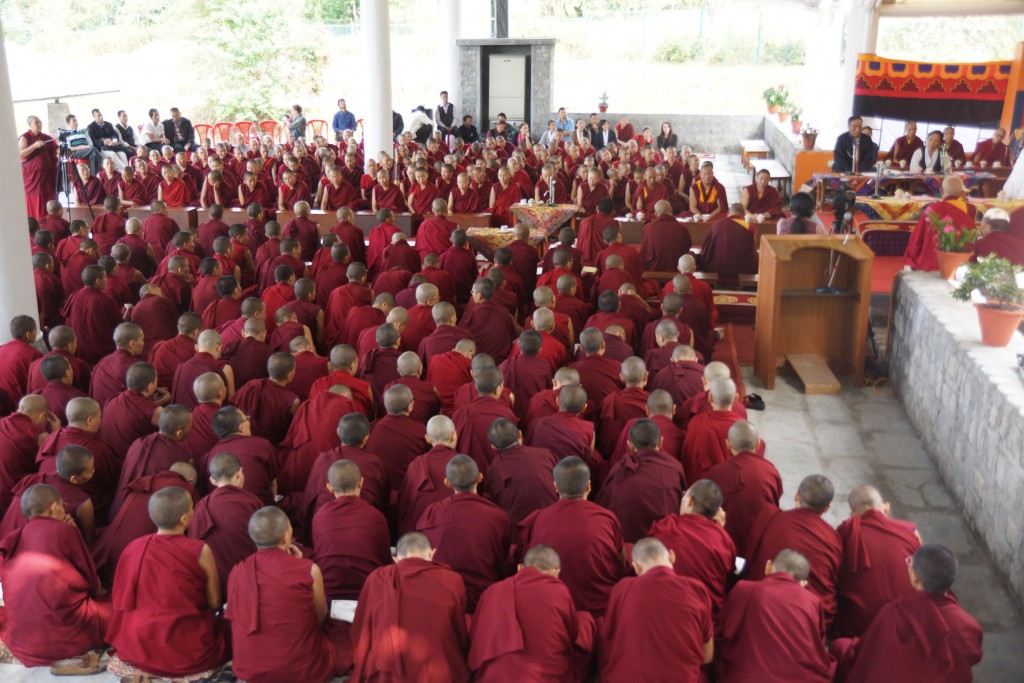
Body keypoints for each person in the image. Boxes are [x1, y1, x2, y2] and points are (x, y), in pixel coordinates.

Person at [106, 486, 227, 680]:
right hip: (185, 651)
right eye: (192, 508)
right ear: (184, 519)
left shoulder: (134, 547)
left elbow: (120, 597)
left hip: (137, 645)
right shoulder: (199, 549)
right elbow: (214, 603)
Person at [226, 505, 348, 683]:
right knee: (343, 637)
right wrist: (300, 565)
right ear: (285, 536)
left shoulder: (237, 571)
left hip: (251, 669)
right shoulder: (309, 570)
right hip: (300, 670)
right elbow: (320, 616)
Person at [0, 484, 111, 673]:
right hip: (67, 637)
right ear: (53, 506)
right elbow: (94, 585)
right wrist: (73, 532)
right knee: (116, 610)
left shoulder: (15, 537)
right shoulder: (65, 531)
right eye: (63, 505)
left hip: (23, 641)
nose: (65, 510)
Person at [836, 544, 983, 682]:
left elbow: (866, 652)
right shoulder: (970, 626)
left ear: (916, 578)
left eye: (909, 563)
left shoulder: (893, 613)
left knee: (840, 646)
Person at [350, 531, 470, 683]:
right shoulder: (452, 579)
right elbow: (458, 630)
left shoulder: (376, 578)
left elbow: (360, 630)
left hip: (386, 673)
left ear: (396, 559)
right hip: (437, 673)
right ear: (432, 554)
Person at [469, 545, 595, 682]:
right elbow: (572, 635)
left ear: (520, 568)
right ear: (556, 573)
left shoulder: (492, 591)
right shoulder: (559, 591)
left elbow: (475, 636)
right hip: (542, 678)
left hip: (493, 679)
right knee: (585, 620)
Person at [517, 456, 624, 616]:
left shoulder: (539, 519)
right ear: (588, 486)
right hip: (598, 609)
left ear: (555, 486)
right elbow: (621, 565)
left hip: (553, 607)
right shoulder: (607, 519)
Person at [599, 538, 713, 683]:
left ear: (636, 567)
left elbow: (609, 640)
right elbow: (707, 656)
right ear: (672, 556)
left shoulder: (621, 589)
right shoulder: (696, 589)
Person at [717, 549, 832, 683]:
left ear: (768, 566)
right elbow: (817, 649)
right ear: (803, 584)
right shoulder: (813, 602)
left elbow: (723, 633)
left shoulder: (744, 589)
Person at [745, 474, 843, 628]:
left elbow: (749, 555)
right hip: (805, 616)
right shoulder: (832, 537)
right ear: (826, 508)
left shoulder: (771, 518)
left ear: (796, 496)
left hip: (762, 603)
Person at [417, 454, 512, 611]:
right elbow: (504, 561)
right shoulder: (498, 516)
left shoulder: (433, 512)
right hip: (485, 598)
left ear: (447, 482)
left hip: (443, 595)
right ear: (479, 478)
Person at [835, 485, 922, 637]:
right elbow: (925, 569)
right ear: (885, 507)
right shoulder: (911, 531)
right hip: (908, 620)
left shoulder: (845, 532)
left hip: (864, 625)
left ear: (852, 515)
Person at [650, 479, 736, 621]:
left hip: (667, 614)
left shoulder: (665, 529)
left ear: (690, 501)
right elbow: (727, 575)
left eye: (684, 495)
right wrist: (719, 531)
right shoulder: (724, 540)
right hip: (706, 619)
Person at [597, 419, 687, 544]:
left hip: (629, 546)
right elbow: (682, 504)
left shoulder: (619, 470)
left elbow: (605, 507)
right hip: (664, 546)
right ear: (660, 442)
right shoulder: (675, 468)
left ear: (630, 445)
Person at [706, 421, 781, 558]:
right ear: (758, 444)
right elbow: (775, 501)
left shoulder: (716, 472)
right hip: (759, 541)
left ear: (728, 444)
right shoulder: (770, 471)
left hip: (725, 540)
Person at [903, 175, 978, 272]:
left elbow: (917, 237)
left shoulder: (933, 209)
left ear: (941, 191)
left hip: (932, 259)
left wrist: (911, 254)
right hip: (962, 260)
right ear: (962, 193)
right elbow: (972, 236)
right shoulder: (971, 209)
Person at [699, 204, 759, 275]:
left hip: (716, 267)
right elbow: (754, 251)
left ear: (728, 213)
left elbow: (707, 249)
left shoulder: (716, 225)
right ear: (743, 216)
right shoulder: (750, 227)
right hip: (742, 269)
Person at [19, 115, 57, 221]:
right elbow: (20, 153)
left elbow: (55, 152)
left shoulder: (47, 138)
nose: (39, 124)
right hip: (33, 175)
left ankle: (49, 222)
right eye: (36, 123)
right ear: (30, 125)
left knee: (48, 199)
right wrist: (34, 146)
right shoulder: (25, 137)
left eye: (40, 122)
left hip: (47, 175)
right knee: (35, 200)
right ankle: (35, 223)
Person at [641, 199, 692, 272]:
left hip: (654, 272)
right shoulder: (682, 228)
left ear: (655, 214)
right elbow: (687, 248)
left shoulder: (648, 228)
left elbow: (644, 253)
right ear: (671, 210)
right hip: (676, 270)